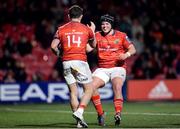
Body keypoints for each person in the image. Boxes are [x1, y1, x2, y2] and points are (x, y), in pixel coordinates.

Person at [51, 5, 95, 128]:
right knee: (89, 89)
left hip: (66, 62)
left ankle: (79, 123)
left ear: (69, 16)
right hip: (80, 61)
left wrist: (60, 55)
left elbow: (53, 46)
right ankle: (80, 111)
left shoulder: (61, 29)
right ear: (81, 16)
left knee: (73, 92)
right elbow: (93, 46)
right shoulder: (86, 29)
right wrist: (93, 30)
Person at [90, 14, 136, 126]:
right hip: (103, 68)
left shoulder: (121, 35)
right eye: (102, 24)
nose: (104, 26)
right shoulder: (97, 35)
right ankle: (101, 113)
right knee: (90, 87)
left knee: (117, 86)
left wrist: (126, 55)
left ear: (111, 25)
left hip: (118, 67)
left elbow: (132, 48)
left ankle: (118, 113)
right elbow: (89, 48)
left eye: (107, 24)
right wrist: (91, 34)